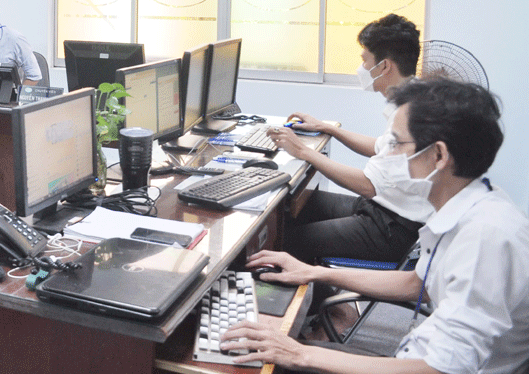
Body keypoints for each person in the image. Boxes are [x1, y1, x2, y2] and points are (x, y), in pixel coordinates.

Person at [222, 79, 529, 374]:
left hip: (425, 368)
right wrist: (315, 271)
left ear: (438, 156)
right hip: (414, 358)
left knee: (262, 362)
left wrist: (299, 354)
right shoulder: (470, 205)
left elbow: (438, 369)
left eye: (395, 144)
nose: (385, 154)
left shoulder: (486, 238)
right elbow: (415, 283)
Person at [268, 13, 425, 264]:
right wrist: (328, 129)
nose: (361, 68)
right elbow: (378, 147)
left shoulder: (410, 114)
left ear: (383, 66)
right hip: (381, 209)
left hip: (390, 229)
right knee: (293, 206)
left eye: (365, 61)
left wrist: (303, 151)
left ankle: (328, 302)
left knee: (284, 240)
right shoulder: (412, 98)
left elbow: (367, 185)